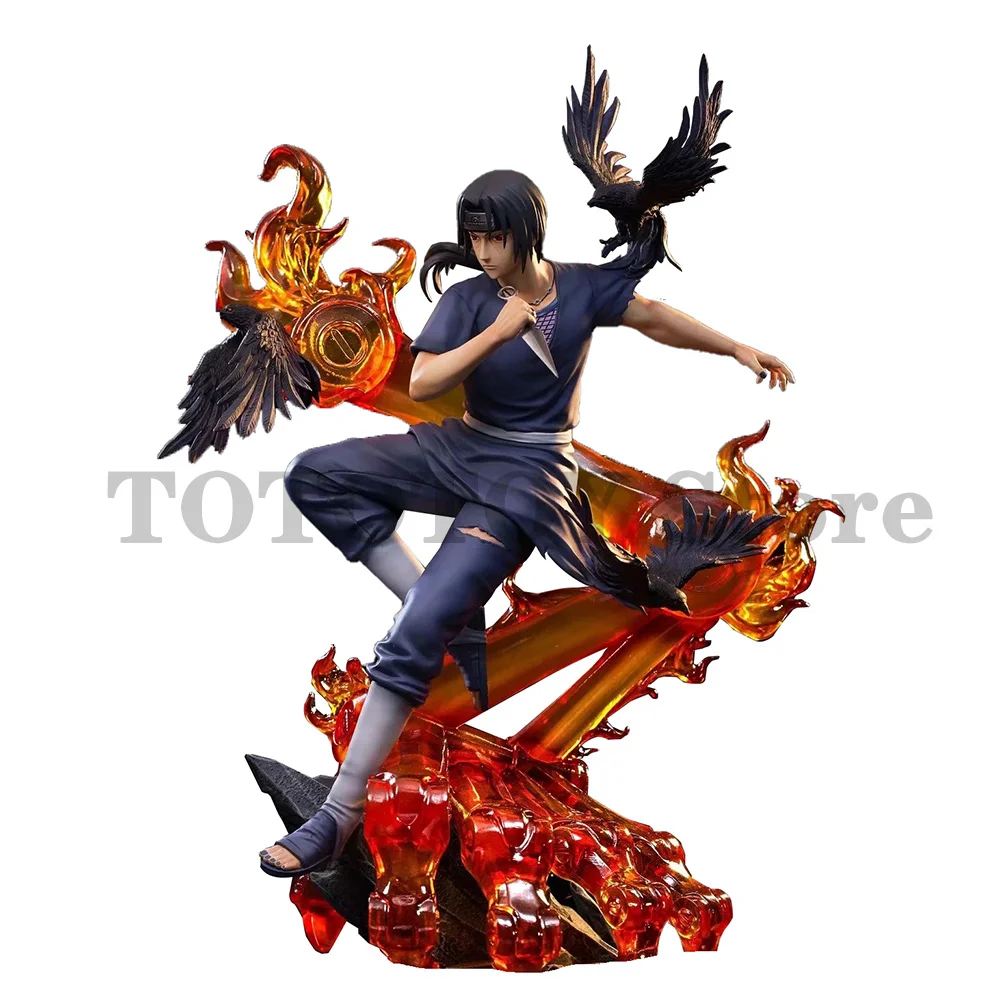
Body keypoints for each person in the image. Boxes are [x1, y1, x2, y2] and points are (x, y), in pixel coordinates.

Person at [259, 169, 793, 875]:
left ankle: (337, 816)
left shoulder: (579, 289)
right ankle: (436, 604)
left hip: (528, 476)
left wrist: (735, 348)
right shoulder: (469, 298)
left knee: (415, 635)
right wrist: (496, 332)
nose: (483, 252)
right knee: (316, 476)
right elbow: (422, 382)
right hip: (460, 447)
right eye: (474, 238)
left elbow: (651, 315)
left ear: (527, 231)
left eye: (495, 238)